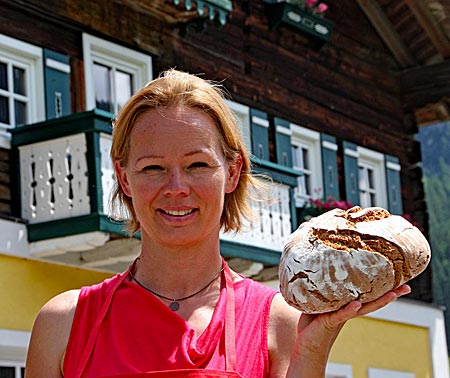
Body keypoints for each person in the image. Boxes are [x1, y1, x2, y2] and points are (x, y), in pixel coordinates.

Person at [25, 69, 410, 378]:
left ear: (232, 171)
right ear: (124, 178)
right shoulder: (64, 323)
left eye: (197, 165)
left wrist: (313, 348)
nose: (176, 188)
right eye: (153, 168)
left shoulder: (277, 322)